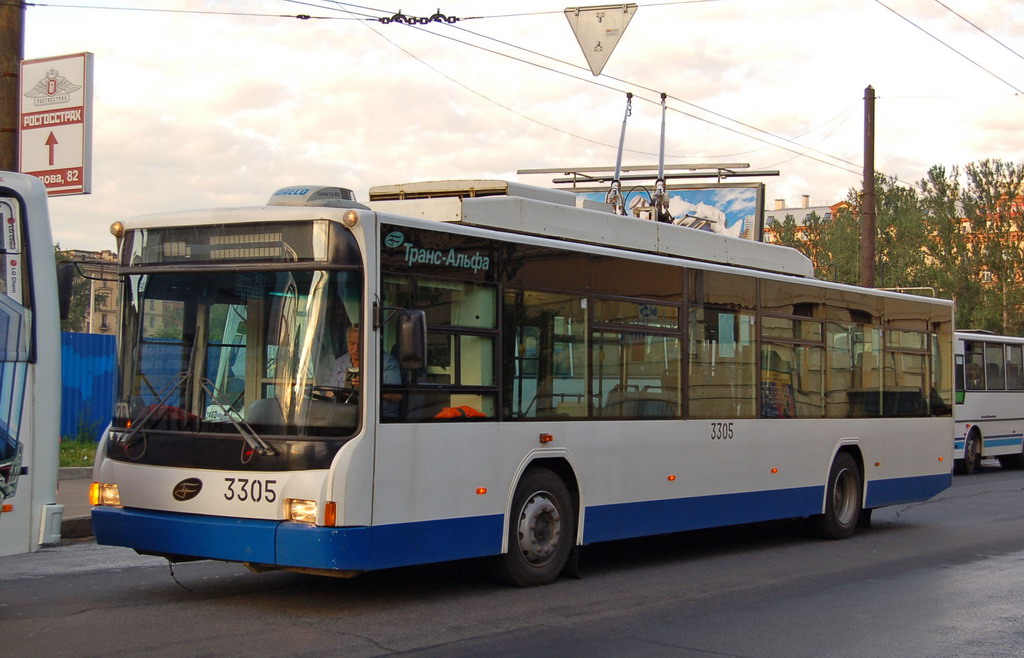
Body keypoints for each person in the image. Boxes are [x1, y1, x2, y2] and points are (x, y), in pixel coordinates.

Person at [330, 326, 401, 412]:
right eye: (352, 344)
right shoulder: (340, 363)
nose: (356, 349)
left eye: (360, 344)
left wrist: (367, 386)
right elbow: (330, 393)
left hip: (380, 417)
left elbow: (397, 396)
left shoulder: (387, 362)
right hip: (346, 415)